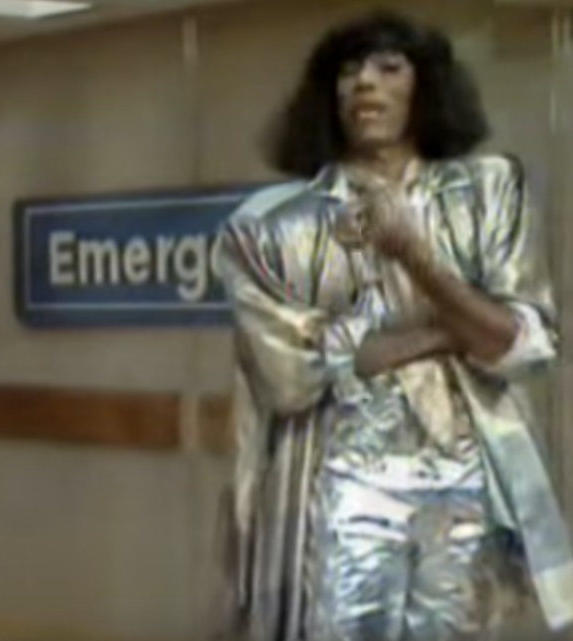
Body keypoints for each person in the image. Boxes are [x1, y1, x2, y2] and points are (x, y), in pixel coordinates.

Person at [217, 10, 573, 641]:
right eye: (349, 72)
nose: (365, 84)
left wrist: (417, 259)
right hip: (339, 480)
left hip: (463, 478)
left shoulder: (490, 193)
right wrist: (446, 333)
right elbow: (290, 374)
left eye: (389, 68)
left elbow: (525, 344)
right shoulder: (271, 229)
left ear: (425, 87)